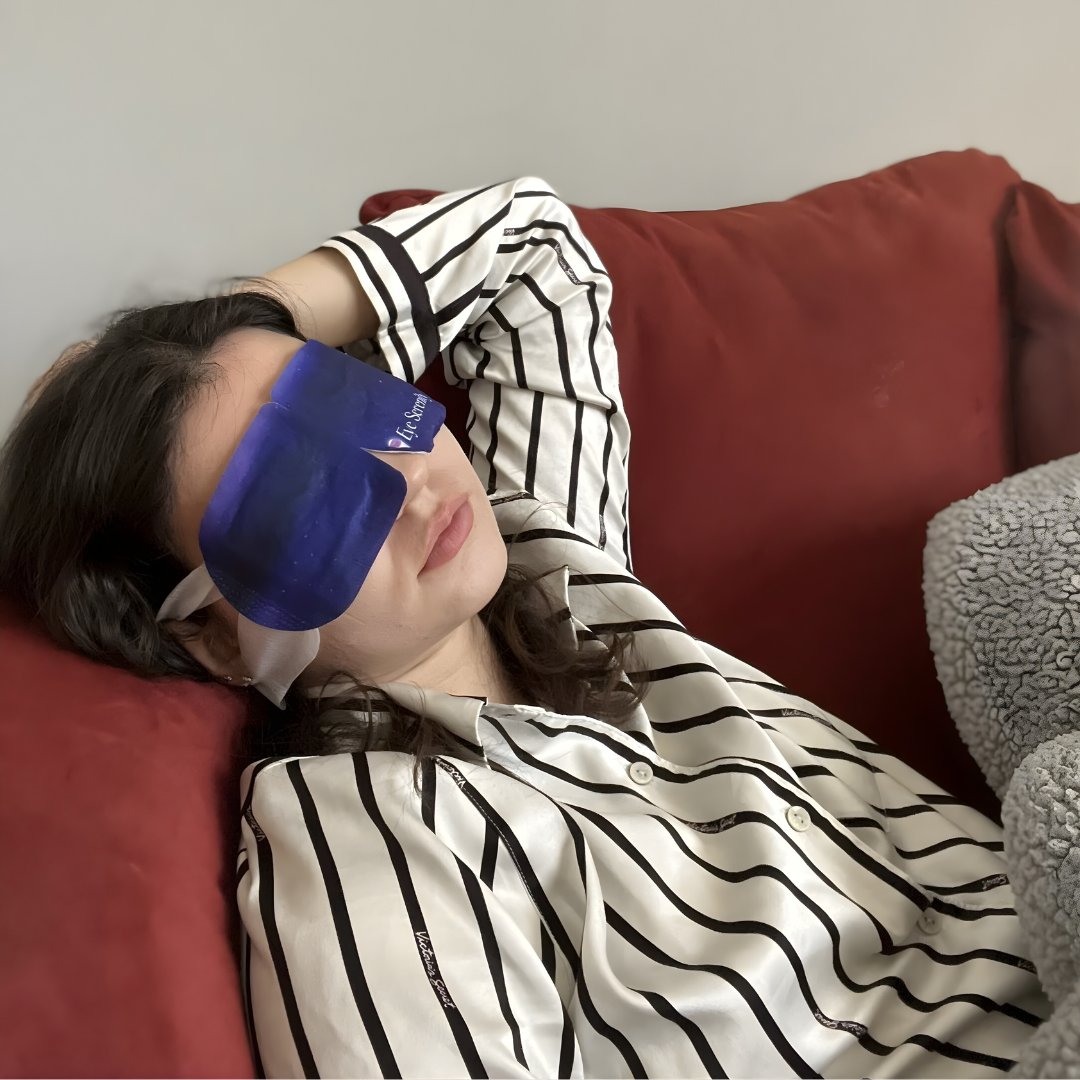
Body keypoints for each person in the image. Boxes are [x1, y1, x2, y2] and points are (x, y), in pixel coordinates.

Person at [0, 177, 1050, 1078]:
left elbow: (533, 249)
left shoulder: (547, 553)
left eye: (360, 403)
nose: (408, 480)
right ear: (219, 639)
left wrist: (237, 319)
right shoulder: (367, 838)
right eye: (301, 500)